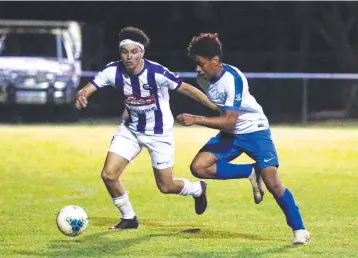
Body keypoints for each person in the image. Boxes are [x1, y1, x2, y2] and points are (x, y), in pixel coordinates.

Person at [75, 27, 220, 230]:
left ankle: (197, 189)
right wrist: (82, 95)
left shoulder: (156, 72)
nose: (129, 56)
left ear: (142, 52)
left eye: (134, 51)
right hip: (131, 130)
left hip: (159, 133)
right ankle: (129, 218)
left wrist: (214, 107)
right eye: (125, 51)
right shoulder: (112, 71)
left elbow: (187, 88)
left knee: (166, 186)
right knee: (108, 175)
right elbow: (89, 88)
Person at [176, 32, 310, 244]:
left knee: (273, 183)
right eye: (196, 64)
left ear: (215, 61)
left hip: (255, 131)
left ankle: (300, 230)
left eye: (200, 64)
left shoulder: (232, 79)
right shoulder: (203, 79)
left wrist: (196, 119)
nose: (197, 69)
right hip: (231, 134)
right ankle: (250, 171)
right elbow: (219, 109)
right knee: (199, 167)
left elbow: (229, 120)